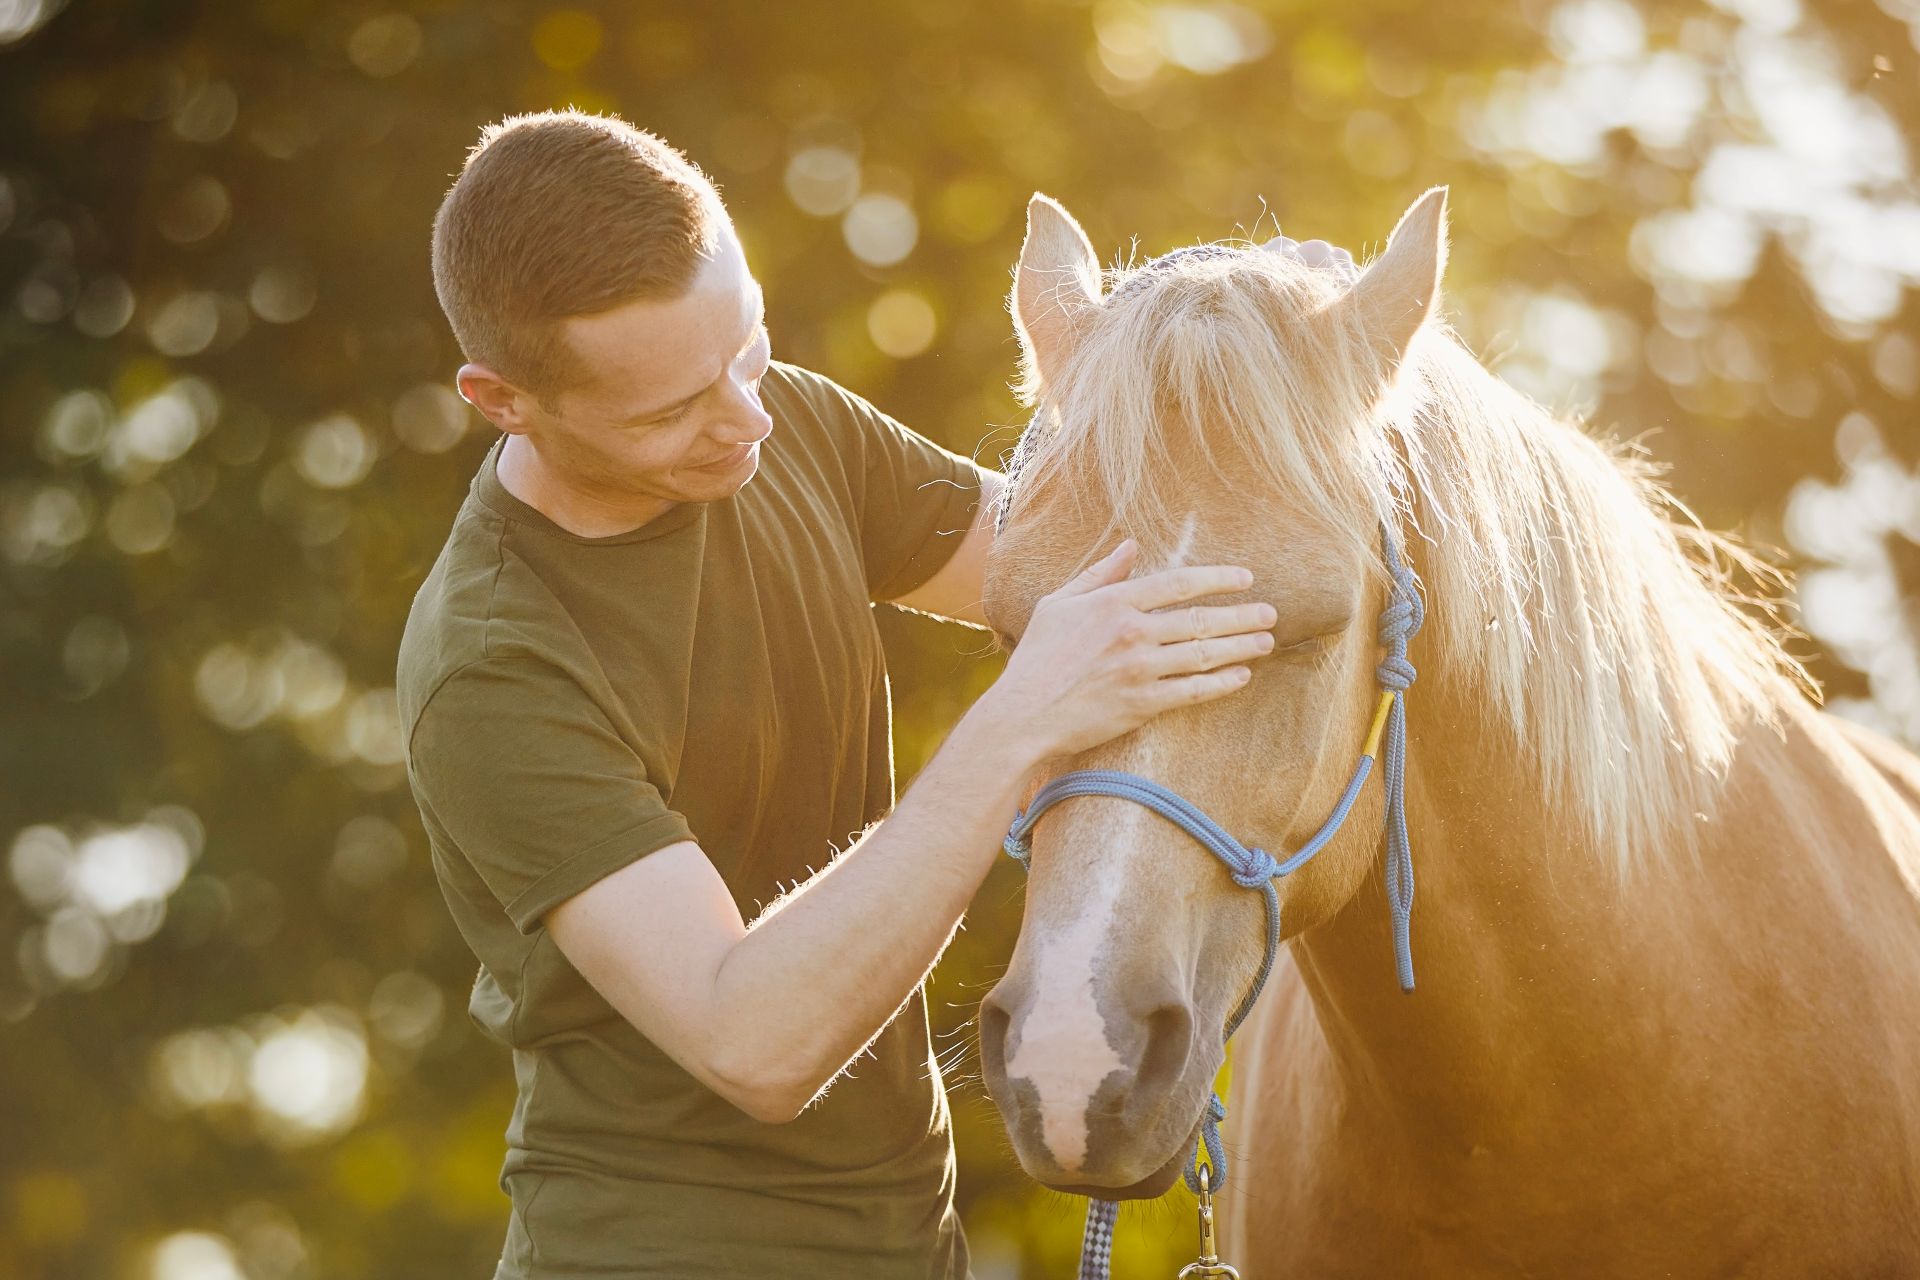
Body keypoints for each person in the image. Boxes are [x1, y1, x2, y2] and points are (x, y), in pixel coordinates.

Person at [396, 109, 1282, 1279]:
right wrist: (1023, 720)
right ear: (501, 398)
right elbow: (754, 1039)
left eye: (749, 347)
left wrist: (1291, 379)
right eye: (671, 409)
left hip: (915, 1246)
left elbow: (1098, 574)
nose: (746, 416)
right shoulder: (496, 664)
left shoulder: (786, 428)